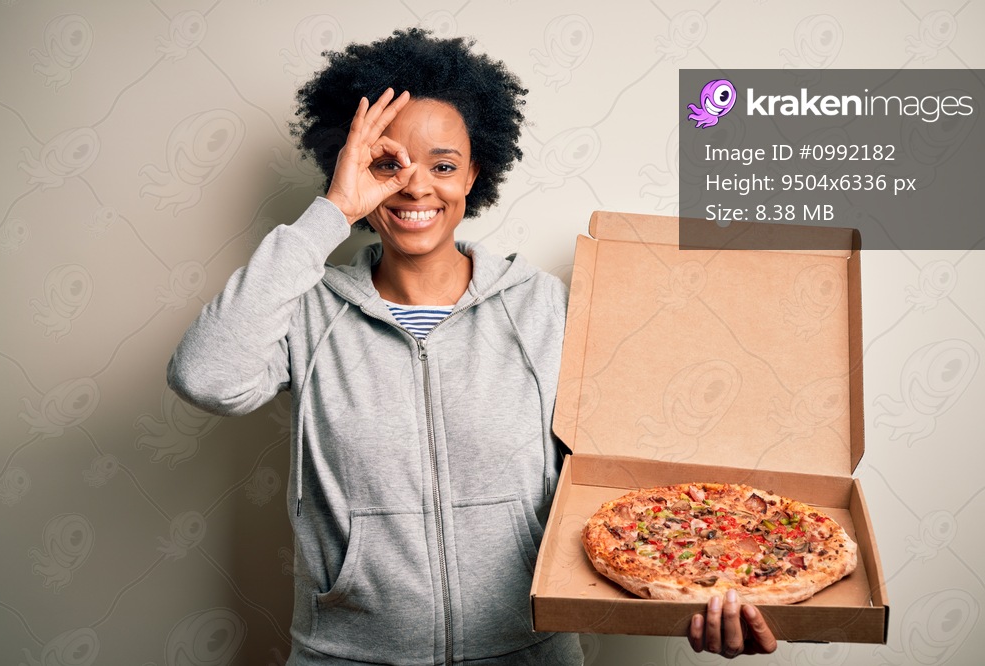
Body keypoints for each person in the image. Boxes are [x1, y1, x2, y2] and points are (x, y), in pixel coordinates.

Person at [167, 28, 775, 665]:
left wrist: (704, 588)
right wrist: (333, 212)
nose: (416, 187)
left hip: (528, 652)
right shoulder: (307, 310)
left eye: (443, 165)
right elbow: (206, 377)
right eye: (388, 164)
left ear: (474, 174)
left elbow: (620, 476)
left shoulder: (544, 306)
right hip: (347, 654)